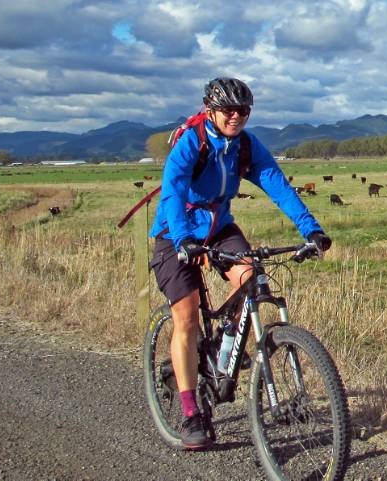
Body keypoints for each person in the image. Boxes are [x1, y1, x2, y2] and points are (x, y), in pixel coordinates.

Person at [148, 77, 332, 450]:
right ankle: (190, 413)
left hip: (219, 227)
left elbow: (277, 184)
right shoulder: (192, 141)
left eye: (243, 111)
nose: (236, 117)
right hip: (175, 232)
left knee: (252, 277)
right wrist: (184, 239)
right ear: (211, 110)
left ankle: (224, 354)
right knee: (186, 313)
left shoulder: (245, 146)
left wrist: (311, 230)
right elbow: (173, 190)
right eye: (229, 110)